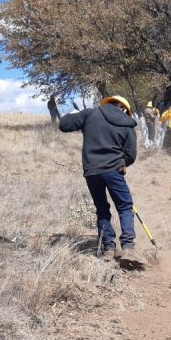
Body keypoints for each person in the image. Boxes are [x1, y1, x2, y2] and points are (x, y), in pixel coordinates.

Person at [58, 95, 143, 265]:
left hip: (91, 171)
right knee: (125, 207)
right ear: (124, 108)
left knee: (102, 208)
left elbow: (64, 125)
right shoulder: (127, 123)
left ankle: (108, 250)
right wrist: (123, 163)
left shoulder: (89, 114)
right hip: (114, 171)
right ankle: (128, 248)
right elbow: (131, 155)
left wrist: (75, 112)